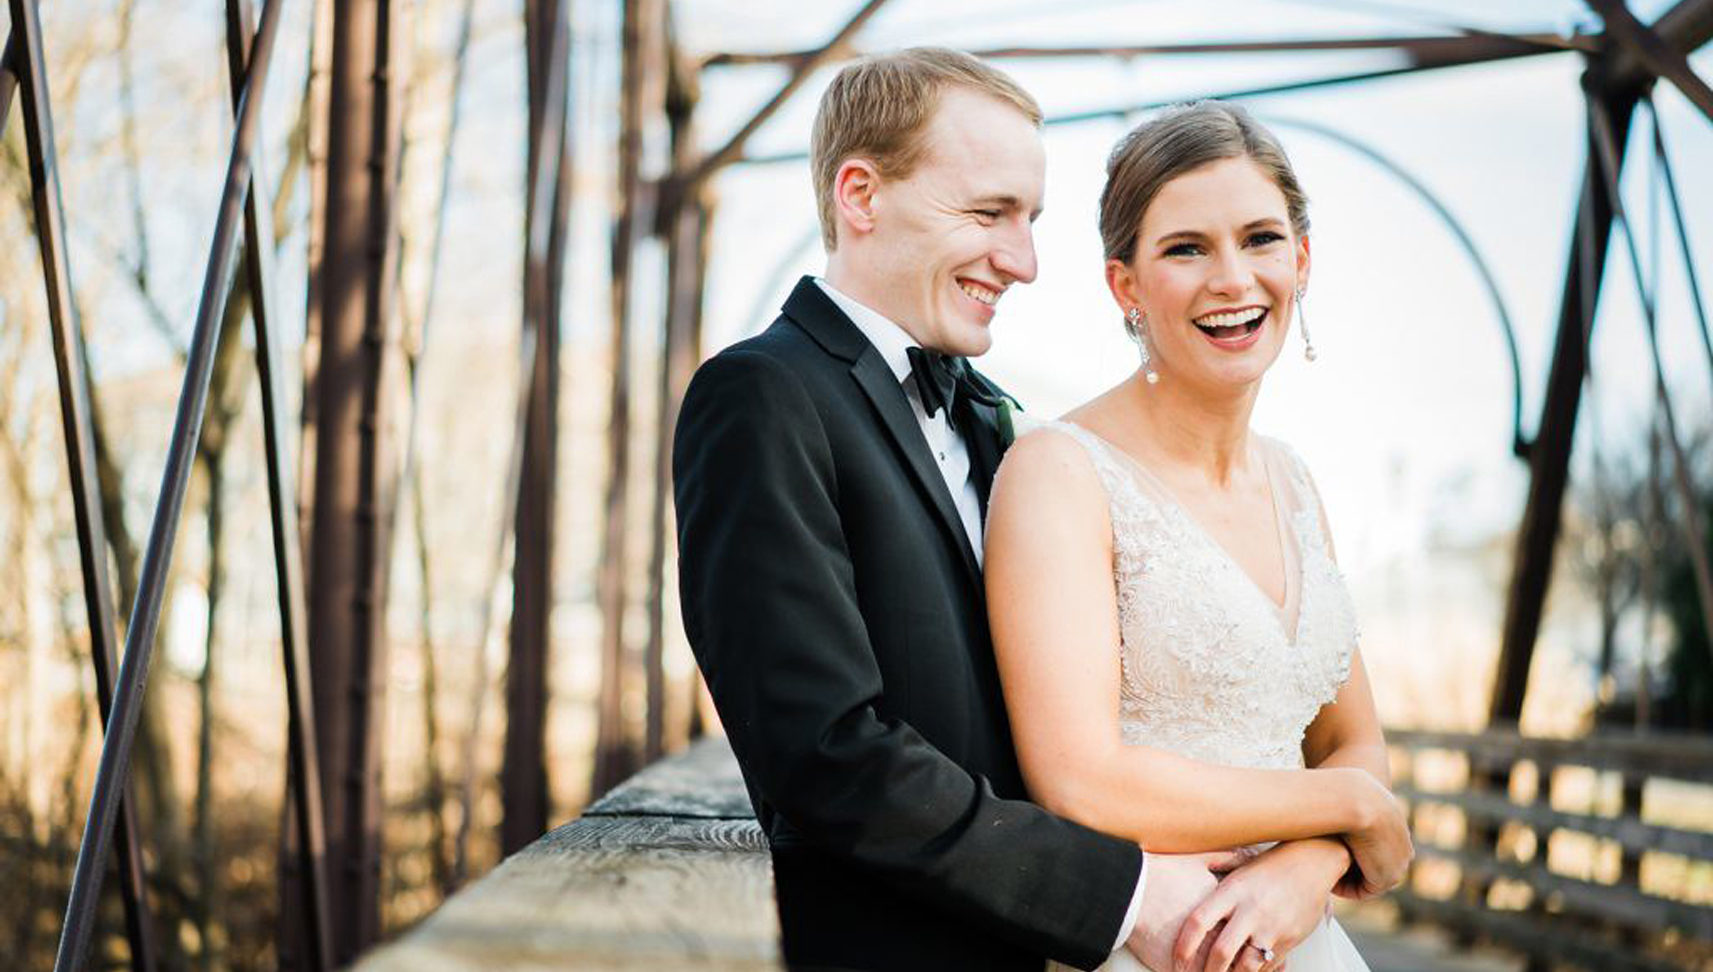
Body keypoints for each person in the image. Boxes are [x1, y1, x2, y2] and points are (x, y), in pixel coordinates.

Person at [674, 49, 1409, 972]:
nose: (1021, 262)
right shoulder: (760, 396)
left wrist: (1310, 859)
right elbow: (824, 755)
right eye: (987, 214)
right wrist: (1125, 893)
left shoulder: (988, 416)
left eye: (1028, 220)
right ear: (860, 196)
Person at [985, 101, 1403, 972]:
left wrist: (1311, 865)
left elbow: (1348, 742)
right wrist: (1350, 810)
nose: (1231, 279)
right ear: (1124, 285)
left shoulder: (1292, 481)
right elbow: (1081, 781)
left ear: (1302, 259)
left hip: (1296, 934)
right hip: (1159, 942)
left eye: (1260, 239)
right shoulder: (1058, 473)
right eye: (1185, 248)